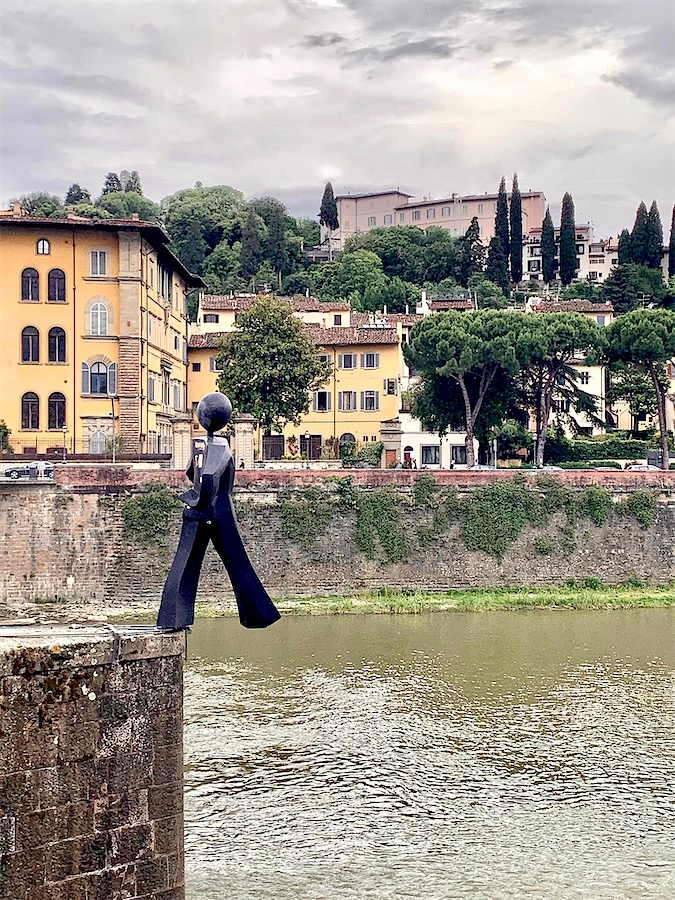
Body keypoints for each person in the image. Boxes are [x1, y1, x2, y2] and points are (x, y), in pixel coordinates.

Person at [157, 392, 280, 631]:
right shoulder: (221, 445)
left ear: (204, 417)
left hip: (206, 509)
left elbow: (205, 476)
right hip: (221, 509)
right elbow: (200, 473)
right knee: (238, 564)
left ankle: (173, 618)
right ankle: (258, 615)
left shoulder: (207, 445)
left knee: (185, 564)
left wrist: (195, 500)